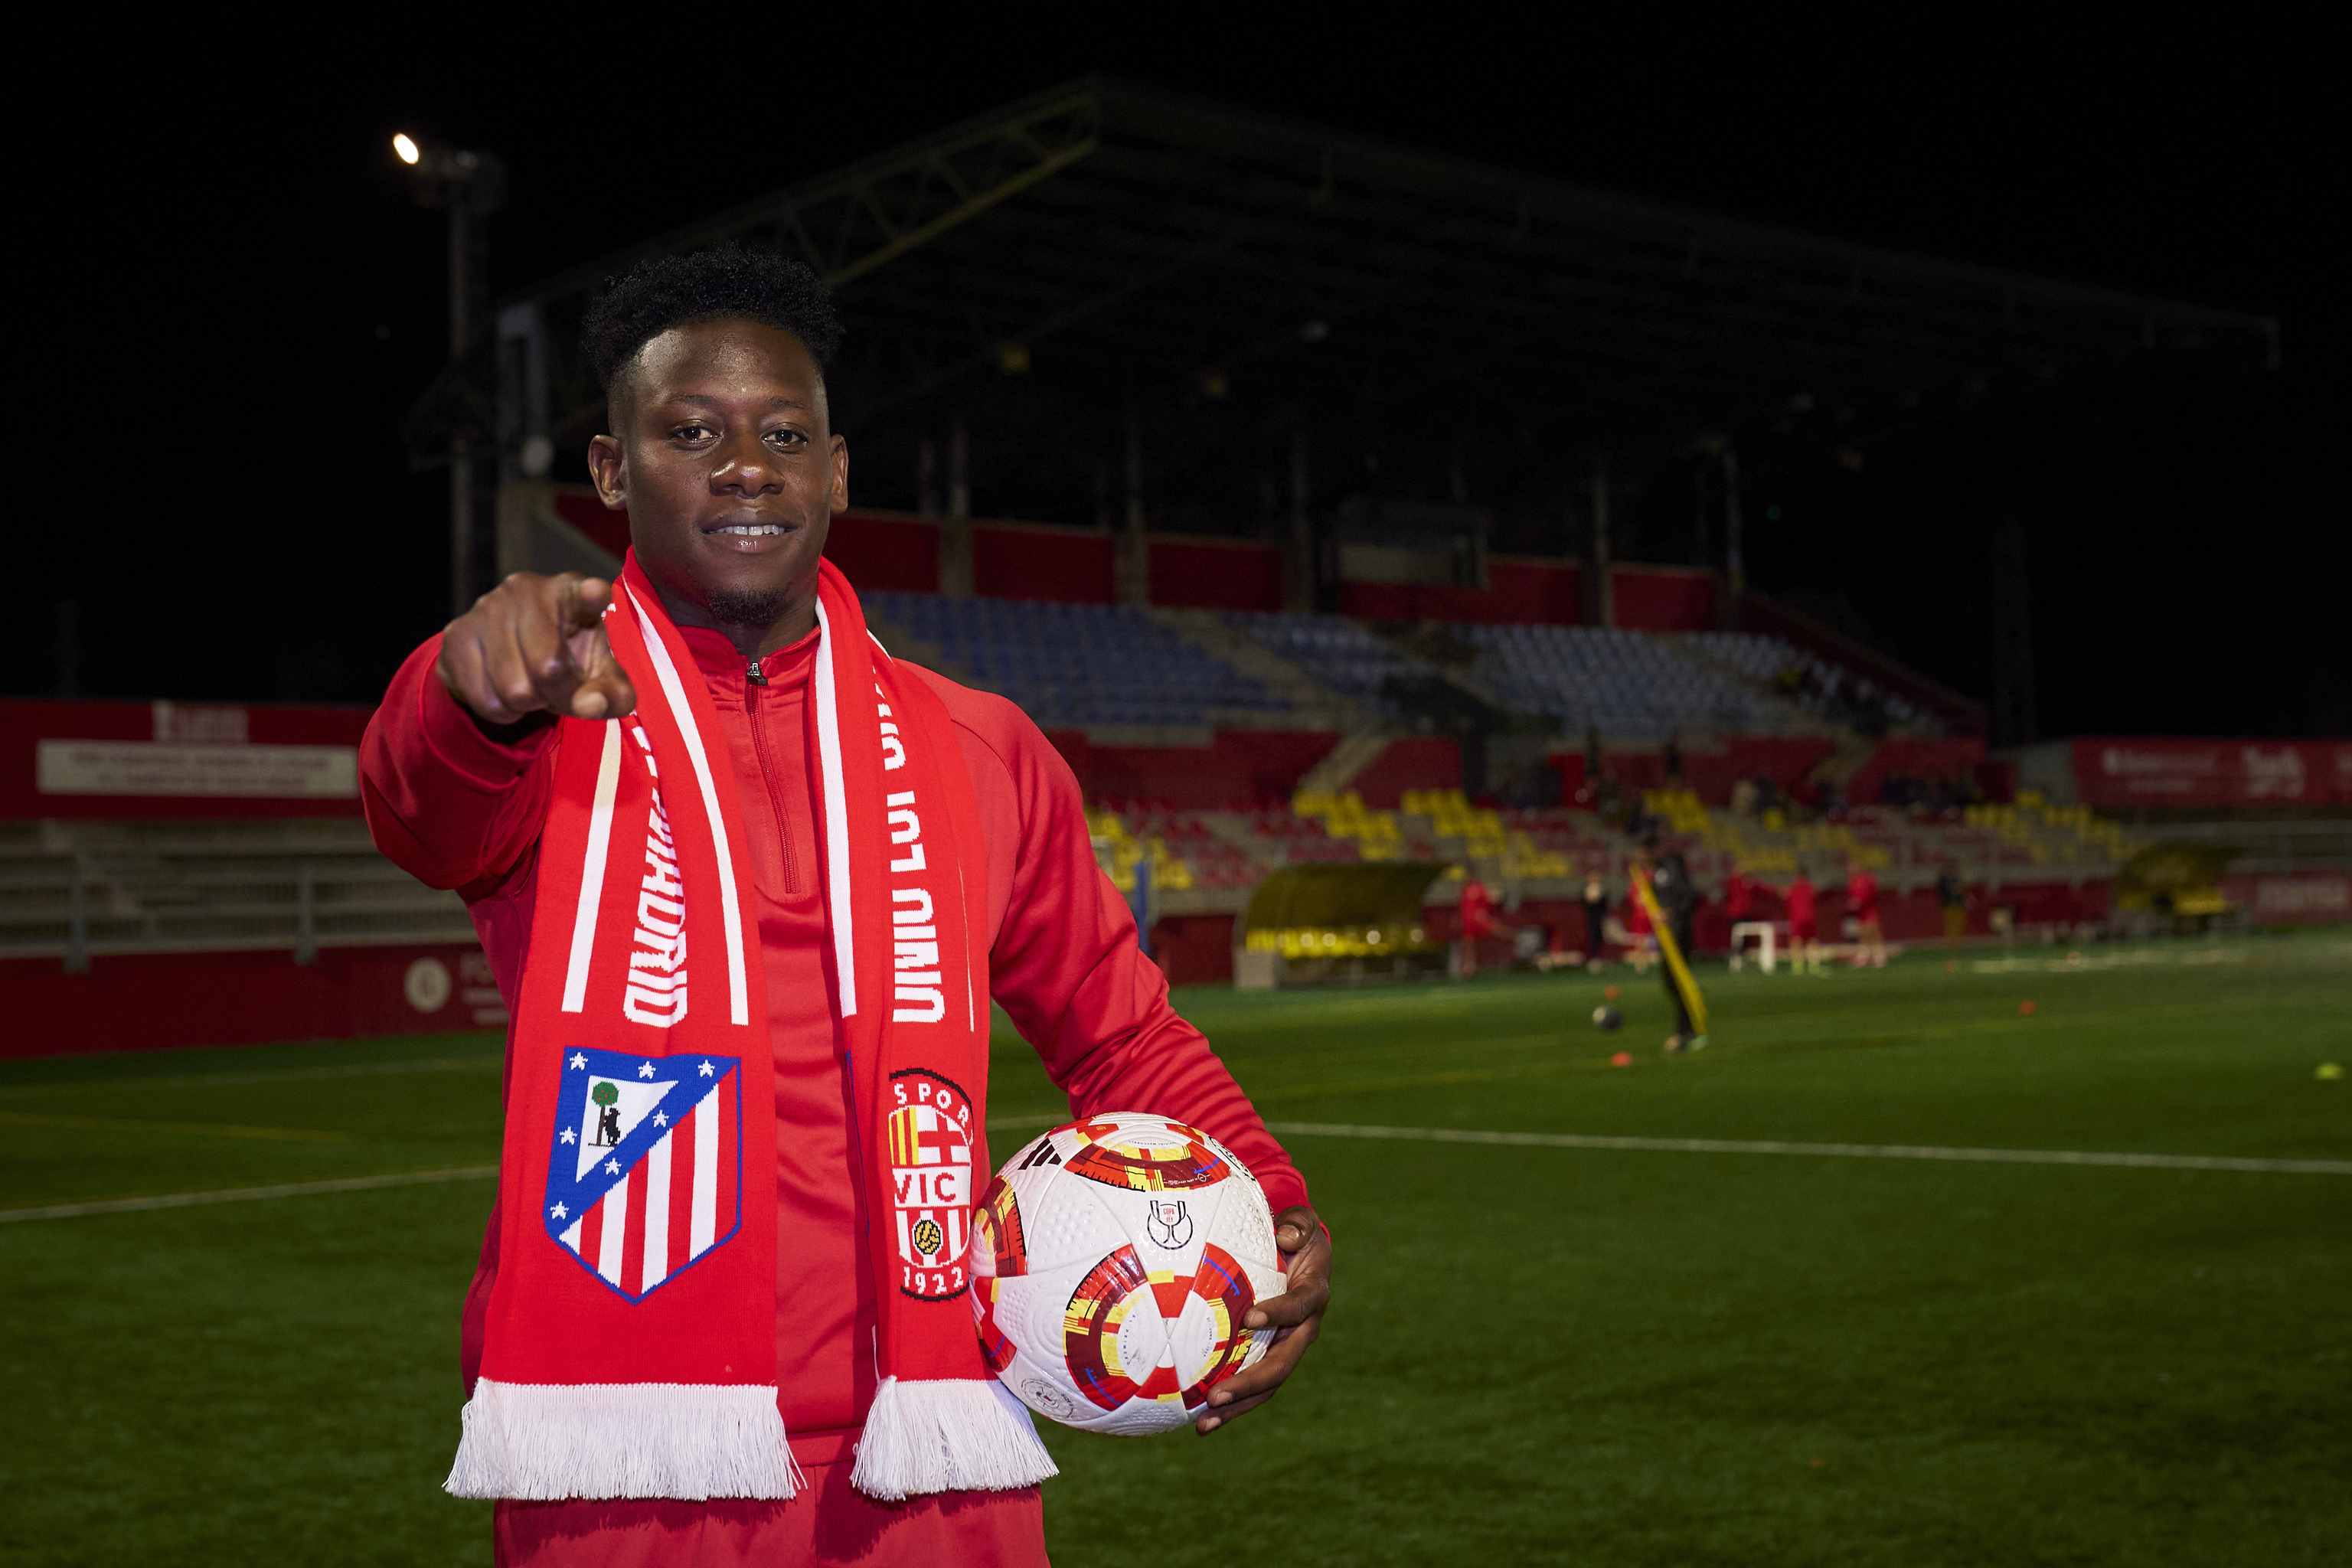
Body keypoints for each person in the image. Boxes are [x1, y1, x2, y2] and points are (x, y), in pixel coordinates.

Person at [361, 250, 1328, 1566]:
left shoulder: (979, 744)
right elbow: (421, 808)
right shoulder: (537, 712)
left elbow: (1119, 1033)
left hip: (933, 1444)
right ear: (608, 469)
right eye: (690, 432)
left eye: (784, 435)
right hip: (628, 1457)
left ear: (837, 471)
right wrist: (461, 691)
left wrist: (1266, 1206)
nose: (744, 465)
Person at [1647, 850, 1706, 1054]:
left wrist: (1670, 911)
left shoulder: (1668, 870)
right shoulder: (1657, 872)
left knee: (1676, 982)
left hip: (1677, 934)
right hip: (1669, 934)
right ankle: (1687, 1029)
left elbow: (1691, 896)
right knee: (1671, 982)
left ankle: (1686, 1031)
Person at [1847, 857, 1886, 969]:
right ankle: (1865, 957)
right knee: (1864, 935)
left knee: (1873, 934)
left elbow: (1872, 894)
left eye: (1853, 866)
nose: (1851, 869)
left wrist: (1860, 901)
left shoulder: (1867, 879)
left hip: (1870, 911)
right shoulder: (1852, 881)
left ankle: (1878, 957)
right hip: (1860, 914)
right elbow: (1852, 897)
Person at [1455, 875, 1495, 978]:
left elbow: (1486, 904)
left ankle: (1469, 967)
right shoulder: (1478, 888)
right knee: (1468, 945)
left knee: (1468, 945)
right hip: (1471, 921)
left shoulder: (1468, 888)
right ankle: (1469, 967)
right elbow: (1488, 903)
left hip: (1471, 921)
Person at [1785, 867, 1821, 975]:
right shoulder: (1811, 888)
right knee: (1811, 941)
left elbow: (1788, 905)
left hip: (1797, 919)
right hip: (1809, 919)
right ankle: (1813, 965)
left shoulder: (1792, 889)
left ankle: (1797, 967)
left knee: (1796, 942)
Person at [1936, 861, 1968, 950]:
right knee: (1950, 924)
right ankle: (1952, 942)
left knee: (1958, 924)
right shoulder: (1944, 880)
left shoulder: (1956, 878)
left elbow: (1960, 892)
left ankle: (1956, 942)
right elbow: (1951, 891)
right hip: (1949, 905)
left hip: (1958, 905)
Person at [1581, 874, 1611, 970]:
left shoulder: (1603, 889)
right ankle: (1593, 958)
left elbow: (1605, 904)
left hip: (1601, 918)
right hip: (1592, 918)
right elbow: (1584, 903)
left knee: (1601, 937)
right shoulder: (1586, 889)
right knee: (1592, 937)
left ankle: (1600, 958)